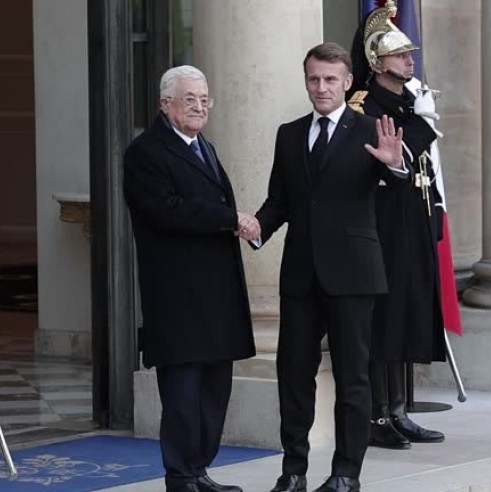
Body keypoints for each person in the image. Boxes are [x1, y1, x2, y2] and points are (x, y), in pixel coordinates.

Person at [243, 42, 407, 492]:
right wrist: (256, 227)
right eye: (314, 79)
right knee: (293, 376)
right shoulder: (289, 134)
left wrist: (394, 166)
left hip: (353, 274)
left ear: (347, 82)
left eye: (330, 79)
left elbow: (398, 188)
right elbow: (280, 200)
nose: (321, 87)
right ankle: (293, 472)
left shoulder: (372, 129)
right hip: (300, 275)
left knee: (353, 378)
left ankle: (345, 475)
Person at [123, 65, 256, 492]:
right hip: (178, 295)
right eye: (190, 99)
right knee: (182, 393)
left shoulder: (205, 147)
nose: (200, 107)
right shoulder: (145, 152)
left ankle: (199, 470)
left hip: (216, 293)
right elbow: (165, 210)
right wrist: (229, 218)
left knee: (214, 391)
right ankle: (181, 476)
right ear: (166, 104)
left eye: (204, 99)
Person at [346, 1, 446, 450]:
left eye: (409, 54)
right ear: (376, 61)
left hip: (413, 220)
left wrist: (435, 208)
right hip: (383, 224)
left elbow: (425, 168)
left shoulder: (406, 101)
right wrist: (422, 124)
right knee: (384, 320)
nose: (409, 60)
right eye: (400, 55)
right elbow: (396, 157)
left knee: (408, 313)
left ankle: (400, 410)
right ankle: (378, 413)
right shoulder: (365, 106)